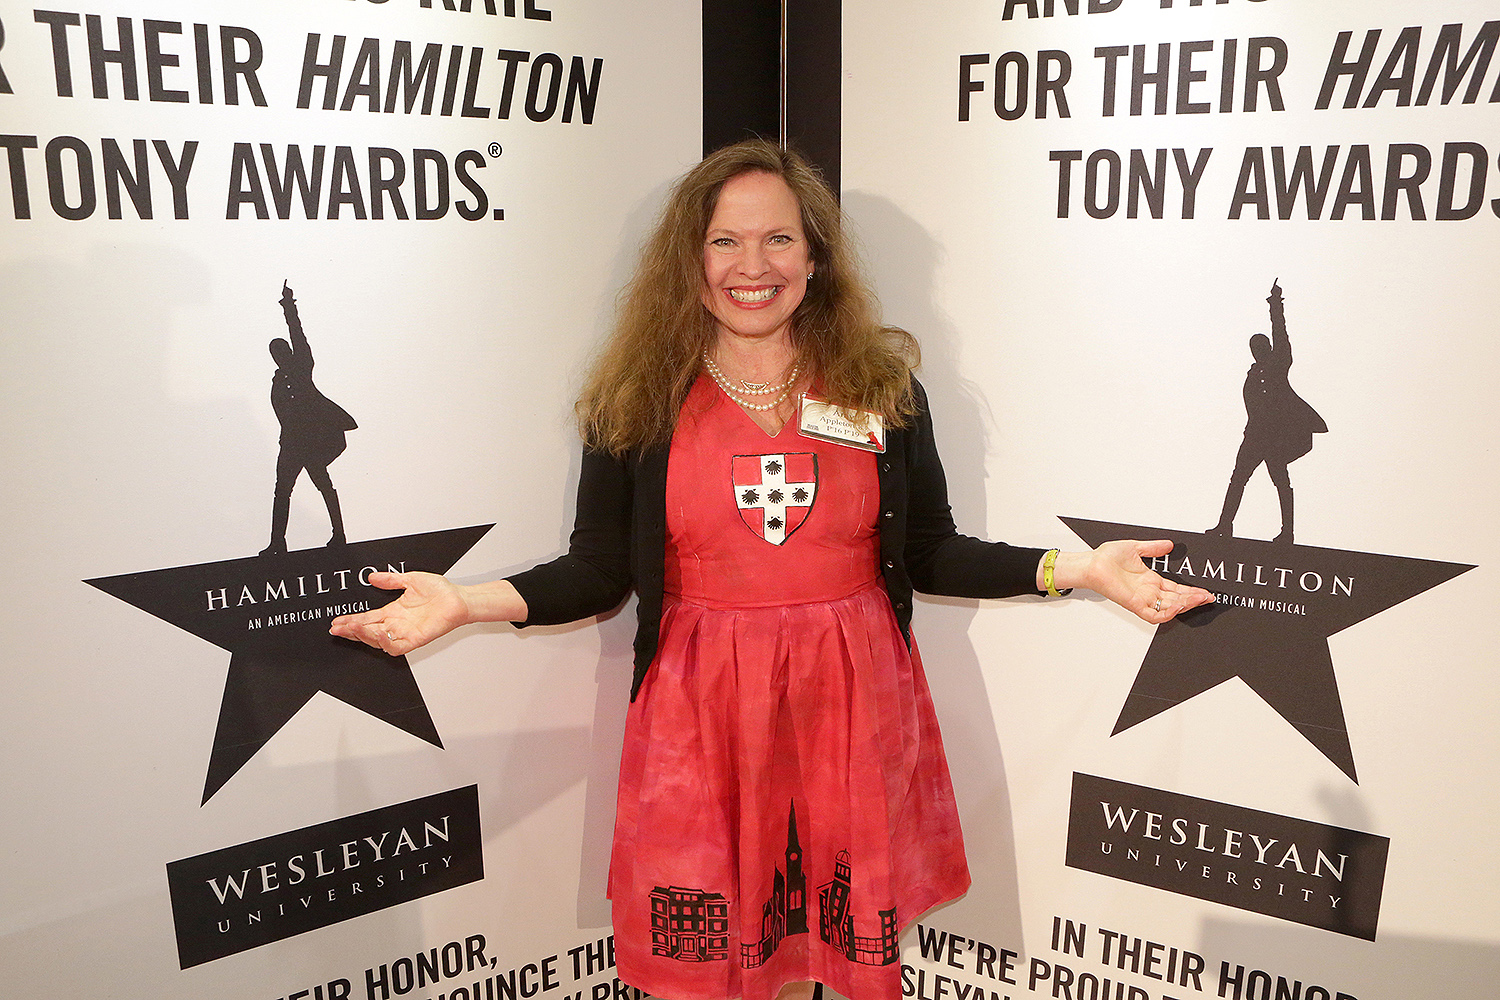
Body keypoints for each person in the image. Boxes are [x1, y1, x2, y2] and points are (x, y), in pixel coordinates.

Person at [330, 140, 1214, 1000]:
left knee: (815, 952)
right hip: (701, 717)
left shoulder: (881, 387)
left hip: (851, 707)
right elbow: (599, 570)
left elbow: (932, 550)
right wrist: (464, 602)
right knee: (717, 960)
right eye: (724, 239)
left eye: (778, 237)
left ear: (815, 256)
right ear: (691, 259)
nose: (752, 264)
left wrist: (1081, 570)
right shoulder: (634, 399)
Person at [1207, 280, 1327, 544]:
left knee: (1281, 481)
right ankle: (1224, 526)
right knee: (1237, 479)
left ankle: (1287, 532)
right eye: (1255, 348)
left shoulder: (1279, 362)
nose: (1258, 351)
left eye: (1262, 346)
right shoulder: (1252, 374)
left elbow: (1280, 331)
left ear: (1268, 348)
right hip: (1254, 436)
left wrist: (1275, 304)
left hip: (1276, 436)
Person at [260, 281, 358, 555]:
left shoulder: (302, 365)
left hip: (311, 440)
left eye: (282, 350)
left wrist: (289, 305)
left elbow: (297, 333)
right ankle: (277, 543)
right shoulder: (277, 381)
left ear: (288, 352)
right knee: (282, 492)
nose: (279, 355)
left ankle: (339, 534)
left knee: (324, 486)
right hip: (290, 444)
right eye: (275, 353)